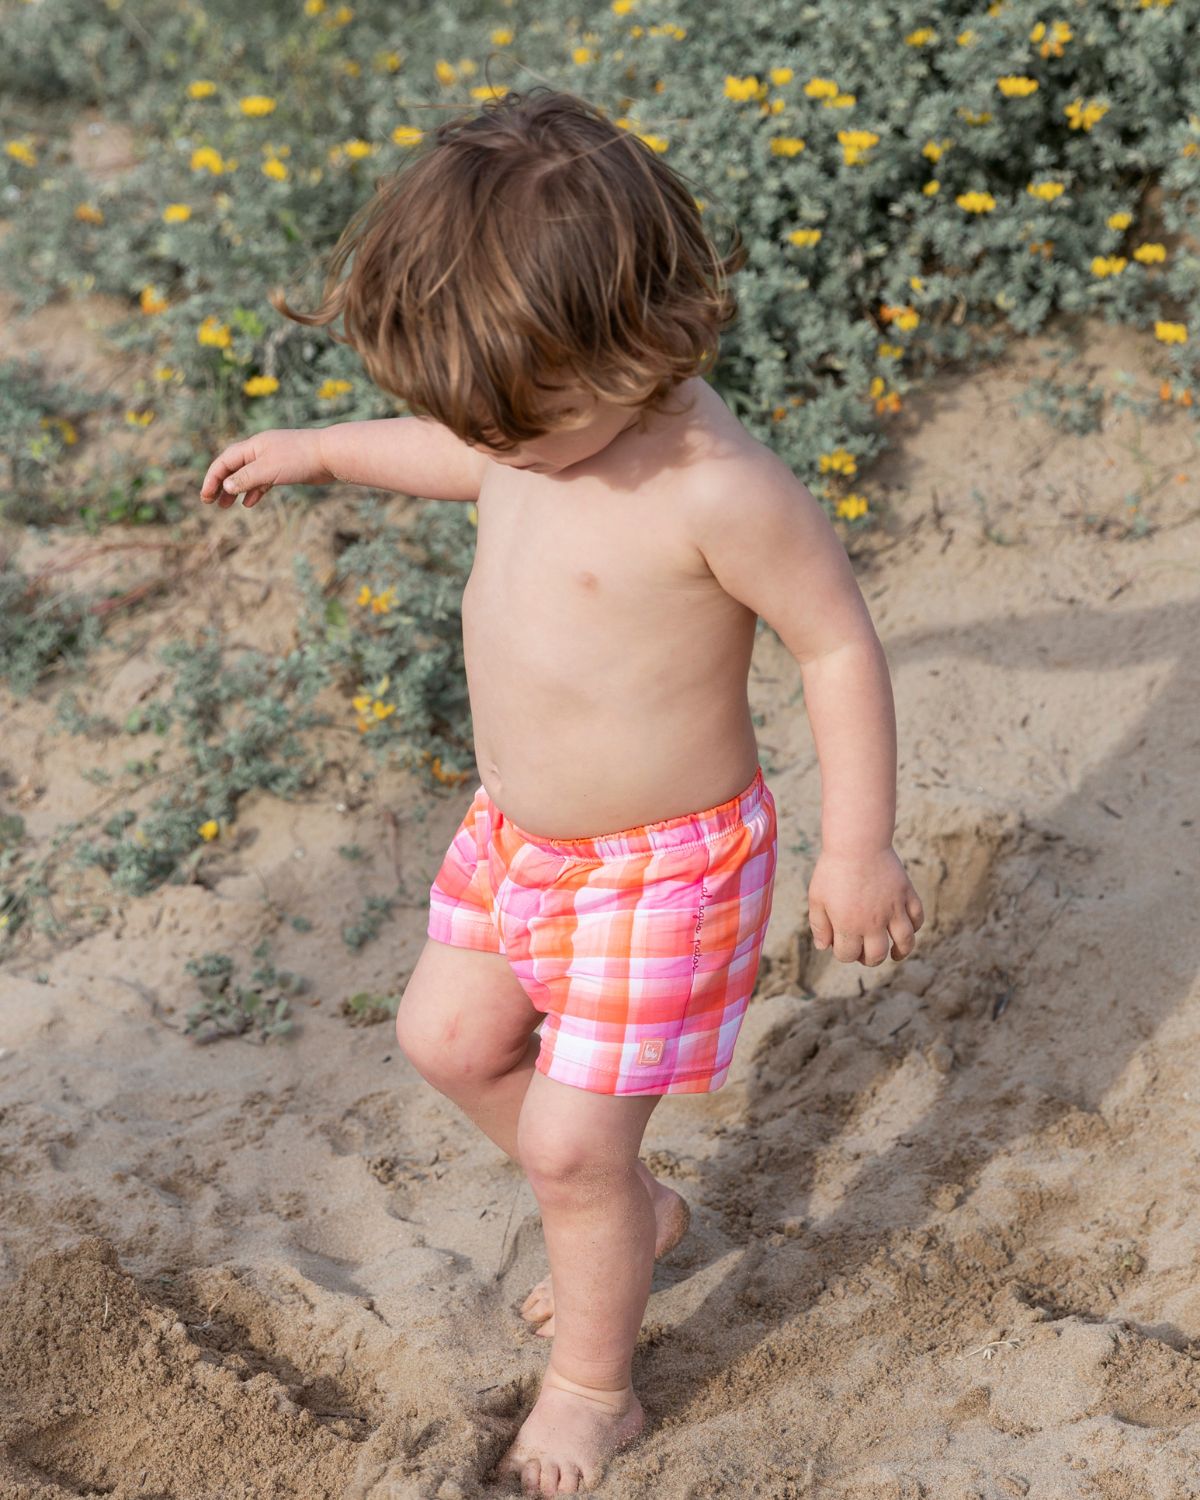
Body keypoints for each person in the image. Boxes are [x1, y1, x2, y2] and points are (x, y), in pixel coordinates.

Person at [200, 86, 924, 1497]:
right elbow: (455, 451)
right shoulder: (534, 415)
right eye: (475, 420)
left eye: (516, 422)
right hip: (515, 843)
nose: (494, 449)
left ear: (635, 340)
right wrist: (327, 447)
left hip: (667, 867)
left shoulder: (716, 486)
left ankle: (598, 1385)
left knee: (569, 1145)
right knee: (447, 1038)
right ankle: (638, 1215)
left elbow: (836, 642)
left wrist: (863, 845)